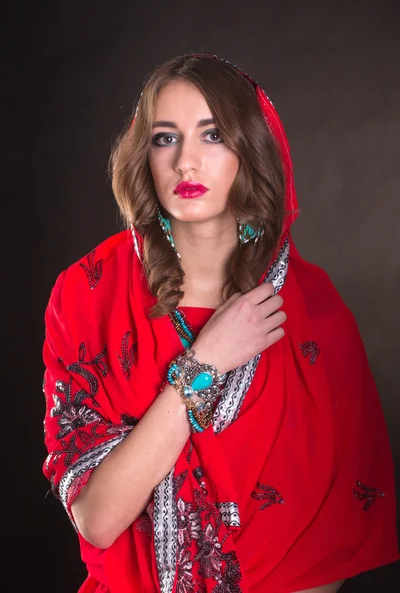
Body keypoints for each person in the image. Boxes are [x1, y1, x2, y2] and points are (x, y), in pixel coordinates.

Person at [41, 53, 399, 593]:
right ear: (146, 156)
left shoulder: (314, 311)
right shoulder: (90, 294)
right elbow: (98, 517)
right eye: (166, 138)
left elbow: (327, 548)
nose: (186, 162)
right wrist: (204, 364)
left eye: (212, 136)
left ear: (249, 151)